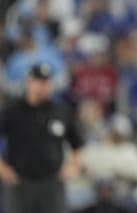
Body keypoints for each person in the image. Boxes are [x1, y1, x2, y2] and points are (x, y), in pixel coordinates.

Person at [0, 62, 84, 213]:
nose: (43, 87)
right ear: (29, 82)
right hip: (20, 182)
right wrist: (2, 168)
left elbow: (76, 142)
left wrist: (75, 166)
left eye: (47, 82)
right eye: (39, 82)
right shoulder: (12, 110)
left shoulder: (61, 111)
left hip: (52, 182)